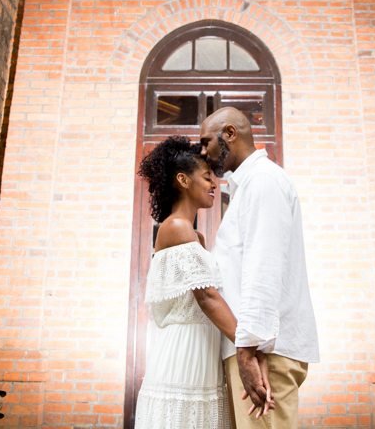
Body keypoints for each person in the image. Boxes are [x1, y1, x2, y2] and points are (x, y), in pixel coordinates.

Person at [134, 135, 272, 429]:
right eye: (207, 177)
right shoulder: (177, 228)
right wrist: (251, 350)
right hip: (184, 352)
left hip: (205, 352)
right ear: (183, 180)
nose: (214, 184)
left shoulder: (195, 237)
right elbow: (207, 297)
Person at [200, 107, 320, 429]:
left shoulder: (263, 181)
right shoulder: (250, 185)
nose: (202, 151)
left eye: (205, 141)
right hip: (257, 348)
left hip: (264, 353)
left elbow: (262, 269)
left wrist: (248, 351)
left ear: (229, 134)